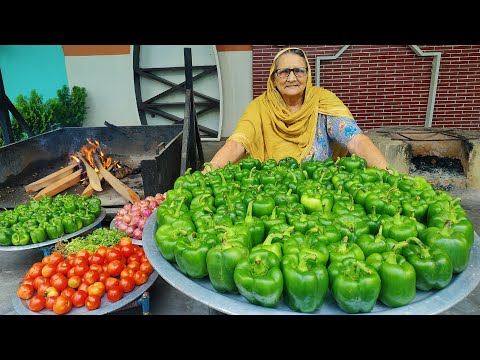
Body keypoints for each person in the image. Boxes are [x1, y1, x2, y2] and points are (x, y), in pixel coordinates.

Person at [206, 47, 389, 172]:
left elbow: (355, 140)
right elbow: (237, 143)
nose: (292, 78)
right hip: (271, 194)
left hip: (320, 191)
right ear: (273, 79)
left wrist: (388, 173)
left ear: (307, 74)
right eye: (284, 72)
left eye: (299, 71)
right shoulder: (259, 108)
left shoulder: (322, 101)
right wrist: (206, 174)